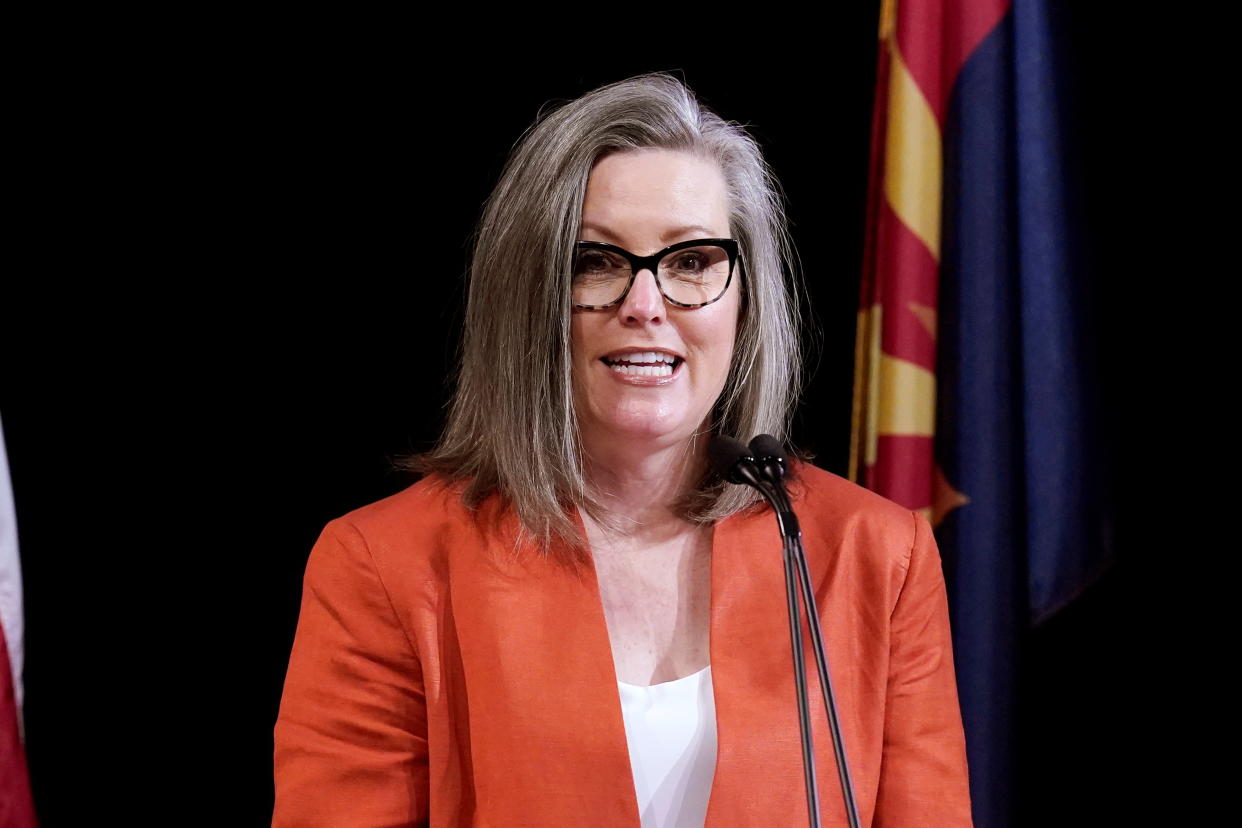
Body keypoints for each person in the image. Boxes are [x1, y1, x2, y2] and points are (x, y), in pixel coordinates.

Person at [272, 72, 972, 827]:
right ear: (530, 298)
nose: (645, 306)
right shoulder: (384, 566)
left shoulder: (873, 554)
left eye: (692, 262)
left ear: (746, 299)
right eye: (596, 263)